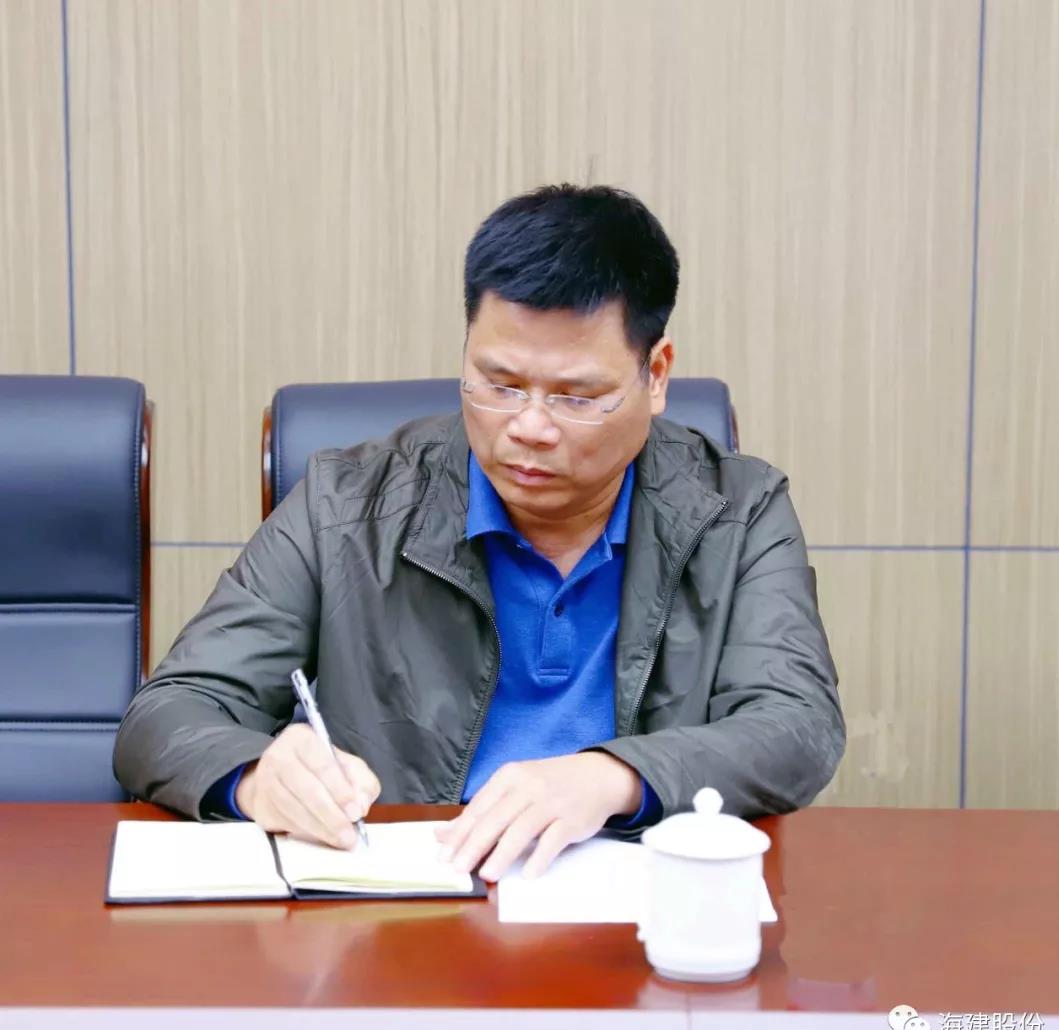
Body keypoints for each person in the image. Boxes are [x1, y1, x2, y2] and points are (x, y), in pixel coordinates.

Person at [114, 184, 844, 882]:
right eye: (499, 385)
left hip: (634, 913)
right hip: (404, 911)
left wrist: (614, 777)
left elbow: (797, 726)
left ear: (655, 374)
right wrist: (255, 777)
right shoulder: (347, 503)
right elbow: (167, 714)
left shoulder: (737, 511)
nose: (529, 427)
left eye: (576, 396)